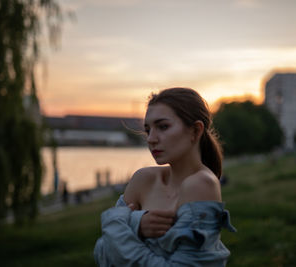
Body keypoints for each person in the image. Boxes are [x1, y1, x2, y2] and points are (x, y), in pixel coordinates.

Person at [94, 87, 236, 266]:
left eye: (163, 127)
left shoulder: (201, 184)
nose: (151, 139)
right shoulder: (143, 180)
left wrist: (115, 221)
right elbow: (102, 252)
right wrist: (138, 224)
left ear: (196, 130)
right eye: (148, 130)